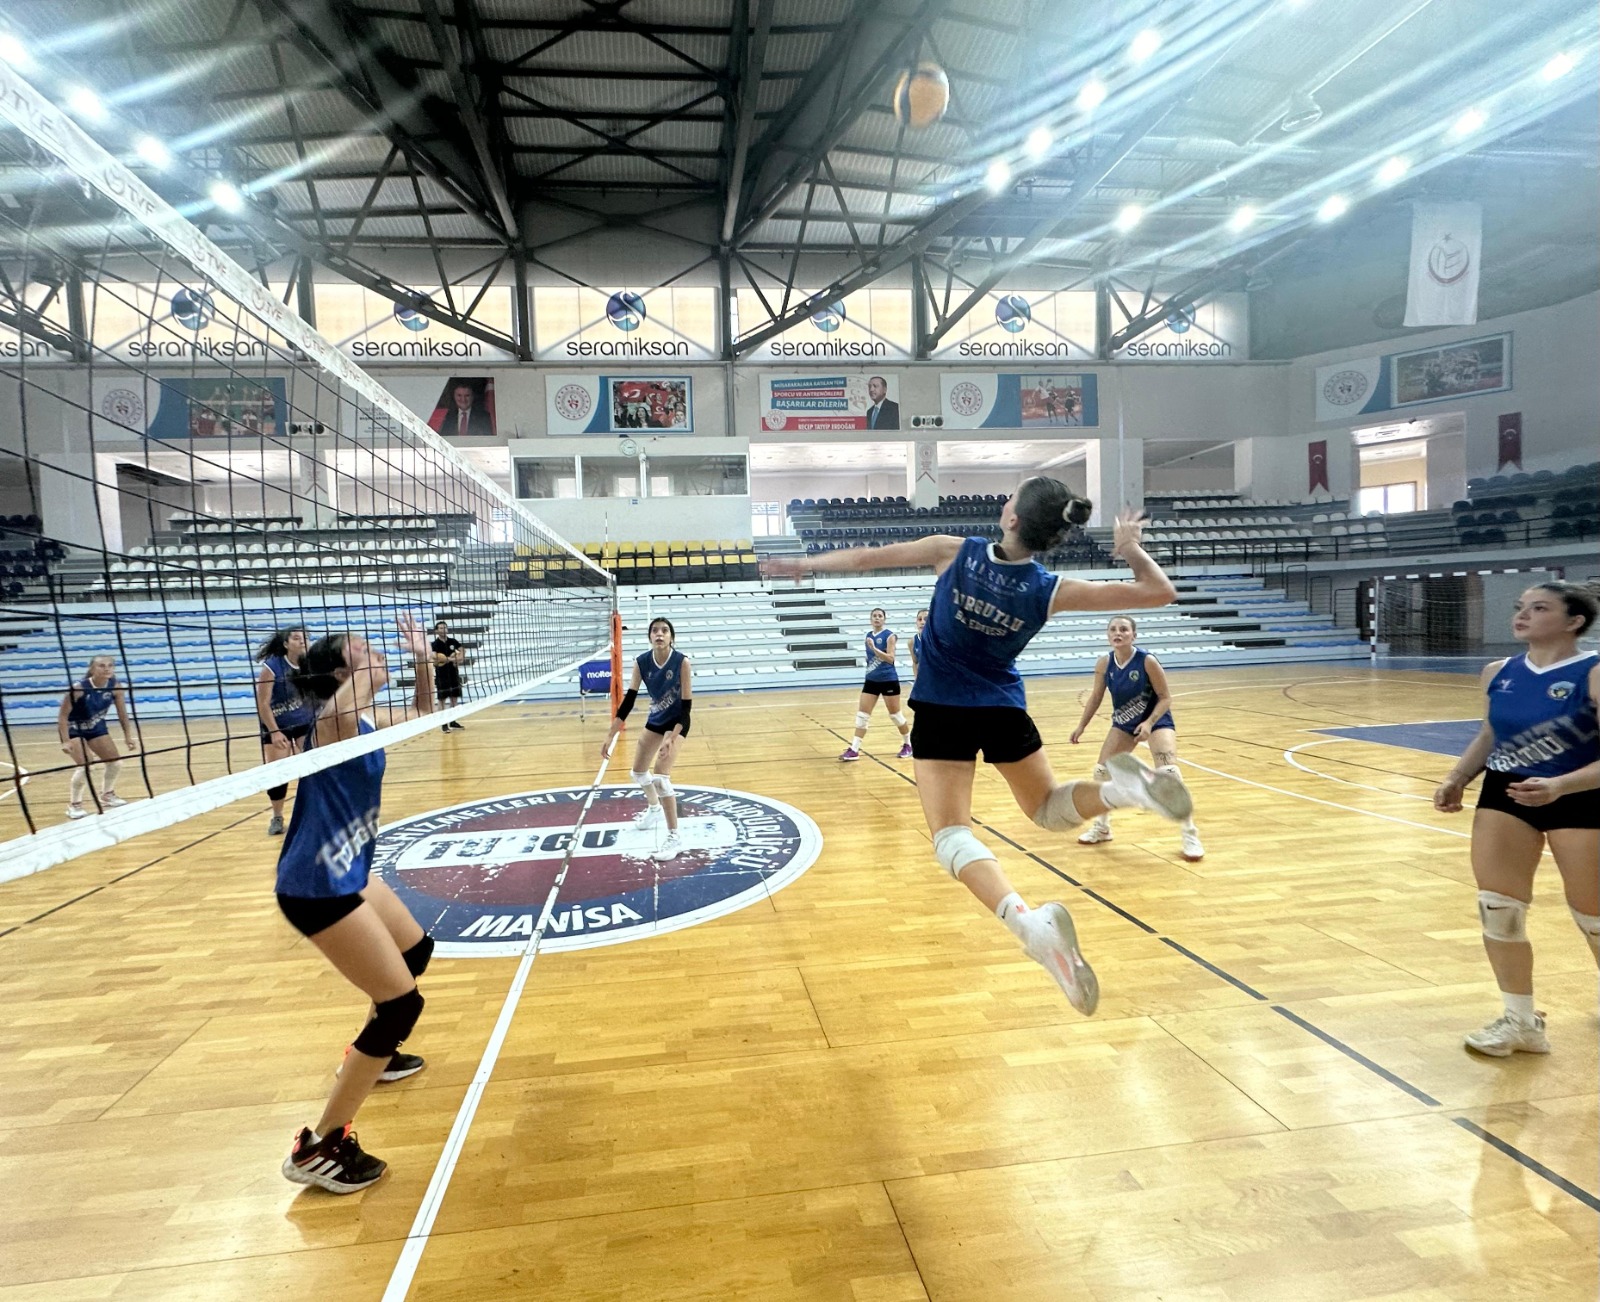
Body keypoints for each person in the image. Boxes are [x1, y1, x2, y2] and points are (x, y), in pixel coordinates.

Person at [765, 479, 1191, 1015]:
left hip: (943, 711)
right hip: (1001, 708)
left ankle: (1031, 927)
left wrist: (808, 567)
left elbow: (867, 559)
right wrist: (1128, 547)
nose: (1003, 502)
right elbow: (1159, 592)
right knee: (1050, 808)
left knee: (951, 837)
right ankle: (1123, 792)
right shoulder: (1050, 587)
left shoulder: (953, 551)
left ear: (1013, 519)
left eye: (1009, 498)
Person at [277, 614, 436, 1193]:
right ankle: (320, 1145)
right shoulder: (333, 721)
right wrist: (368, 673)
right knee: (401, 1005)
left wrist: (420, 657)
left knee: (416, 950)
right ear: (343, 673)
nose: (377, 653)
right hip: (316, 883)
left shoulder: (360, 717)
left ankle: (370, 1054)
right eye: (364, 651)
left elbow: (424, 711)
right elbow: (345, 707)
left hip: (352, 867)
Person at [1433, 581, 1599, 1058]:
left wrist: (1561, 786)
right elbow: (1491, 733)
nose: (1523, 615)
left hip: (1581, 795)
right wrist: (1459, 776)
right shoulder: (1497, 672)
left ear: (1574, 622)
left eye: (1539, 608)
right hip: (1506, 792)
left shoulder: (1593, 673)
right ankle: (1520, 1021)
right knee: (1498, 908)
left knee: (1593, 916)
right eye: (1520, 607)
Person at [1070, 616, 1204, 861]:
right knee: (1101, 771)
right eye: (1113, 629)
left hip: (1156, 720)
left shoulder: (1147, 661)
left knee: (1169, 773)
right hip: (1123, 723)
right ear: (1108, 635)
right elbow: (1096, 697)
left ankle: (1190, 833)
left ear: (1134, 635)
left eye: (1123, 629)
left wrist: (1149, 723)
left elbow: (1165, 698)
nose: (1117, 633)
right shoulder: (1104, 663)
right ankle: (1103, 828)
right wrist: (1081, 726)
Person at [604, 616, 693, 861]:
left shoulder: (682, 662)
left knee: (662, 778)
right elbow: (629, 701)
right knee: (639, 773)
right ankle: (654, 809)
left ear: (671, 637)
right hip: (656, 719)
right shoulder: (642, 662)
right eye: (655, 631)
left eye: (665, 630)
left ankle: (674, 836)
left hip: (676, 722)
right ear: (650, 637)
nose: (660, 634)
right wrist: (611, 733)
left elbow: (686, 709)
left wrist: (672, 737)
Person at [58, 654, 139, 819]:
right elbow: (62, 717)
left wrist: (128, 737)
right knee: (86, 765)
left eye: (110, 665)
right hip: (75, 728)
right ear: (92, 669)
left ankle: (107, 795)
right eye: (101, 665)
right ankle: (74, 805)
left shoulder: (115, 687)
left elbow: (123, 714)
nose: (107, 668)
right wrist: (66, 741)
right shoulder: (79, 689)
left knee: (115, 763)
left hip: (96, 726)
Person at [257, 627, 314, 837]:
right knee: (278, 773)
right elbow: (263, 703)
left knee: (313, 766)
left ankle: (311, 813)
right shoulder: (272, 668)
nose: (302, 641)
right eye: (297, 638)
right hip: (276, 724)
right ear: (286, 644)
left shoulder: (310, 665)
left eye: (305, 638)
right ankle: (278, 816)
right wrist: (274, 732)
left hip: (303, 722)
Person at [841, 607, 913, 761]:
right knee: (862, 716)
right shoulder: (868, 635)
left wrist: (874, 649)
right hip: (871, 680)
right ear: (871, 619)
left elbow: (891, 659)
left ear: (884, 619)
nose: (877, 618)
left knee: (895, 715)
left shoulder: (890, 636)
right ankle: (854, 749)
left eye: (880, 616)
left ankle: (908, 744)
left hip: (889, 680)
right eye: (874, 616)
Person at [431, 619, 465, 732]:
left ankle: (453, 721)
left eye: (445, 628)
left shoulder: (452, 641)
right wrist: (451, 659)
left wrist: (458, 658)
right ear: (436, 631)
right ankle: (443, 724)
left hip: (454, 674)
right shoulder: (434, 644)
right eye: (441, 628)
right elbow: (435, 660)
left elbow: (462, 651)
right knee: (442, 700)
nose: (443, 630)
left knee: (454, 699)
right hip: (442, 676)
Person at [910, 607, 929, 679]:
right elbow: (915, 662)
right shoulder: (912, 641)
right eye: (919, 619)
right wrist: (917, 679)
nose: (922, 622)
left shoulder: (938, 640)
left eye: (926, 619)